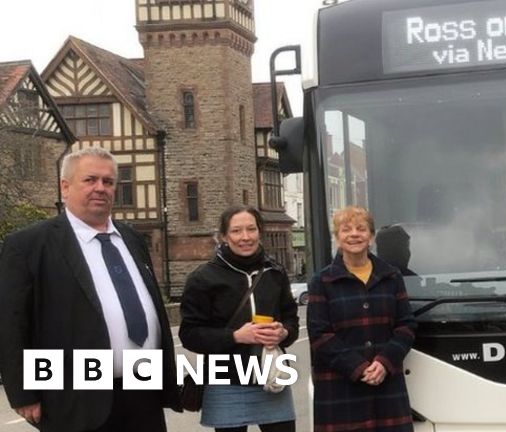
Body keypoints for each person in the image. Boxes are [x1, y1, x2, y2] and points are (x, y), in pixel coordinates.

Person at [0, 147, 180, 431]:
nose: (101, 188)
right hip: (75, 398)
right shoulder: (29, 245)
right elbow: (11, 324)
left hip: (142, 391)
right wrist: (23, 393)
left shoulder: (132, 239)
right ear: (65, 186)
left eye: (108, 182)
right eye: (90, 180)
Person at [179, 206, 300, 432]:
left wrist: (284, 333)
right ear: (224, 236)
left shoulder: (275, 273)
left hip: (271, 376)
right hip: (226, 382)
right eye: (236, 231)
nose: (245, 237)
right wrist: (235, 336)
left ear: (259, 232)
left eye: (251, 229)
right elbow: (189, 335)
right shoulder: (202, 278)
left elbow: (291, 319)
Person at [308, 206, 416, 432]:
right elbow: (320, 335)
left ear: (372, 236)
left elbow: (406, 326)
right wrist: (358, 367)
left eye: (361, 228)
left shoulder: (392, 276)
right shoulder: (322, 281)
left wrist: (384, 363)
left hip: (386, 386)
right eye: (346, 230)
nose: (354, 234)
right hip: (340, 388)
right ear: (337, 238)